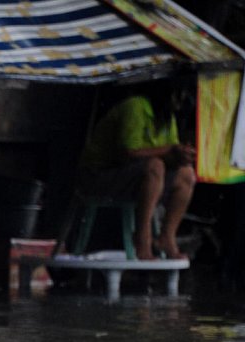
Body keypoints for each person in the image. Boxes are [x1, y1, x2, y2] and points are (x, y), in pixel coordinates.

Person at [77, 80, 196, 260]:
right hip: (98, 177)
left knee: (186, 173)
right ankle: (142, 240)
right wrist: (169, 150)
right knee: (155, 166)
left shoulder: (167, 118)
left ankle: (167, 237)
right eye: (177, 95)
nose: (180, 102)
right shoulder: (135, 107)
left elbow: (171, 152)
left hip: (135, 179)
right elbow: (127, 153)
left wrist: (182, 155)